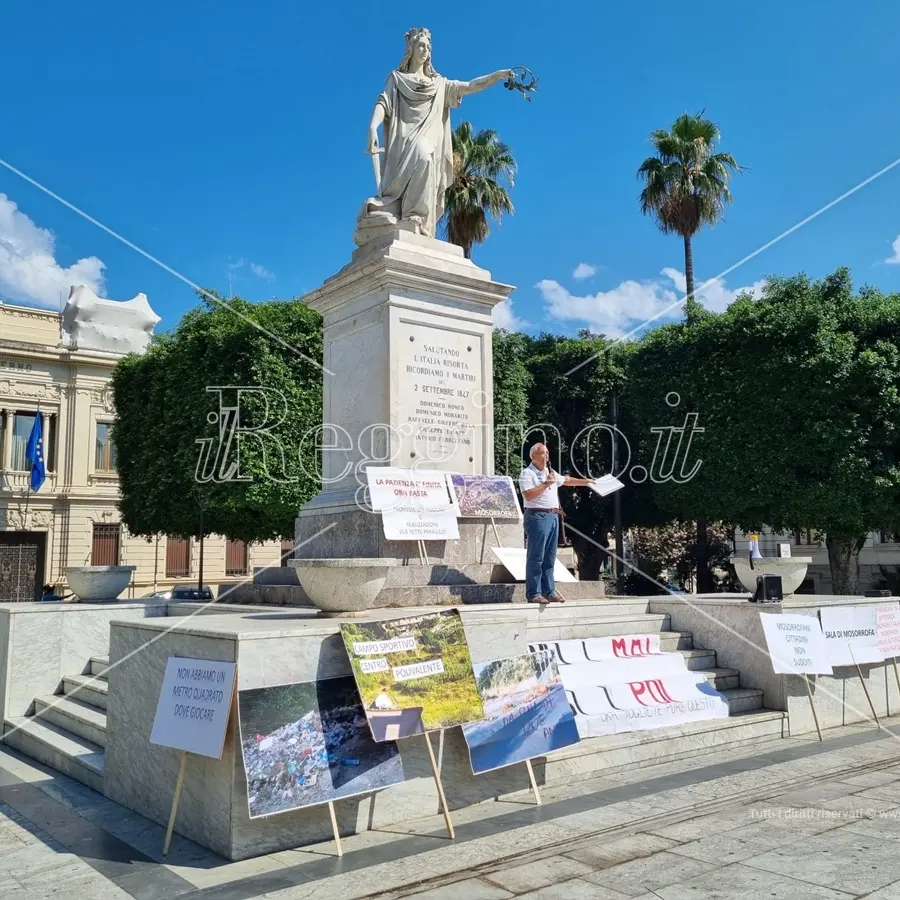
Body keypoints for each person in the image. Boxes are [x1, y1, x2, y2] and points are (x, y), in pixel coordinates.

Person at [357, 27, 513, 242]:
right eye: (421, 45)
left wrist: (496, 76)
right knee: (422, 158)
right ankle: (405, 214)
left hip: (427, 140)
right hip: (402, 140)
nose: (426, 50)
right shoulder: (396, 79)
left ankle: (416, 218)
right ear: (411, 49)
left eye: (429, 47)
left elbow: (469, 86)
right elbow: (383, 103)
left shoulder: (439, 84)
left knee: (426, 157)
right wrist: (372, 127)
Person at [519, 444, 593, 604]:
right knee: (536, 556)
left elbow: (565, 480)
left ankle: (549, 591)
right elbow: (528, 495)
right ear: (533, 456)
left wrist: (587, 482)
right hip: (537, 515)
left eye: (547, 452)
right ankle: (534, 592)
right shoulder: (527, 473)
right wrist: (546, 484)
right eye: (542, 453)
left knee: (550, 556)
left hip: (553, 516)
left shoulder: (549, 472)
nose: (546, 455)